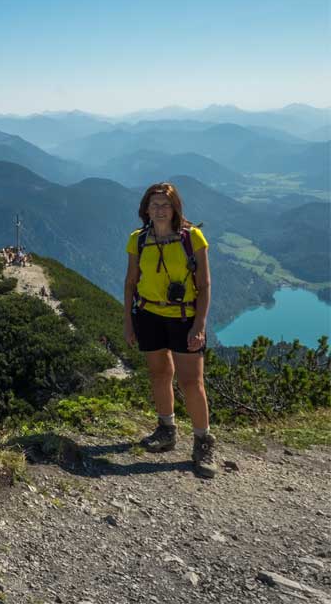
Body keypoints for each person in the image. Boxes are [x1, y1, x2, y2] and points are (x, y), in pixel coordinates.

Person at [123, 182, 217, 478]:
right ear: (146, 209)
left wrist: (199, 325)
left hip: (184, 317)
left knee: (192, 382)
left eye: (165, 204)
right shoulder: (137, 240)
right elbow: (130, 283)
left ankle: (203, 441)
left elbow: (204, 286)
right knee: (160, 374)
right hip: (149, 314)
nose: (160, 210)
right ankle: (167, 429)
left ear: (175, 208)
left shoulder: (193, 238)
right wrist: (129, 321)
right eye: (154, 205)